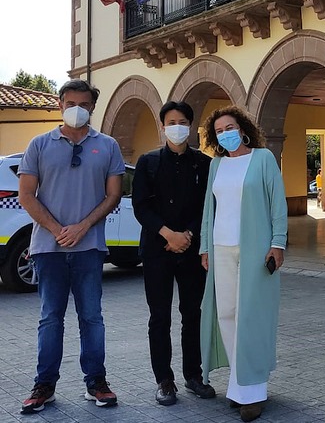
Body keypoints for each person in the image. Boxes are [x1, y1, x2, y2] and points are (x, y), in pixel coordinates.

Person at [17, 80, 125, 414]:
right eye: (70, 102)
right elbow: (25, 195)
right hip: (47, 249)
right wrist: (56, 229)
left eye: (84, 103)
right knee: (50, 318)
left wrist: (82, 227)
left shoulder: (107, 146)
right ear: (60, 104)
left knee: (92, 317)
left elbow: (113, 195)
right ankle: (44, 385)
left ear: (93, 107)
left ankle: (97, 382)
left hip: (89, 248)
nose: (76, 108)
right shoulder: (38, 144)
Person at [199, 106, 287, 423]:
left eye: (231, 126)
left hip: (255, 250)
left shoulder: (263, 159)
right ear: (215, 136)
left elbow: (278, 203)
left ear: (243, 128)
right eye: (220, 130)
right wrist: (204, 247)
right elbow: (209, 209)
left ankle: (252, 393)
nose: (226, 133)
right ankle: (239, 384)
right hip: (220, 248)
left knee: (251, 317)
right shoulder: (217, 166)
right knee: (227, 314)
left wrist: (278, 243)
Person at [132, 101, 215, 406]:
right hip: (158, 249)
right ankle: (164, 380)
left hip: (192, 251)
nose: (177, 126)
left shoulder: (204, 164)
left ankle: (193, 374)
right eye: (171, 121)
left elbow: (207, 206)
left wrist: (188, 236)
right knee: (160, 317)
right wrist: (168, 234)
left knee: (192, 314)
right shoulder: (148, 162)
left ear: (190, 126)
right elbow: (141, 206)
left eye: (182, 121)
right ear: (163, 126)